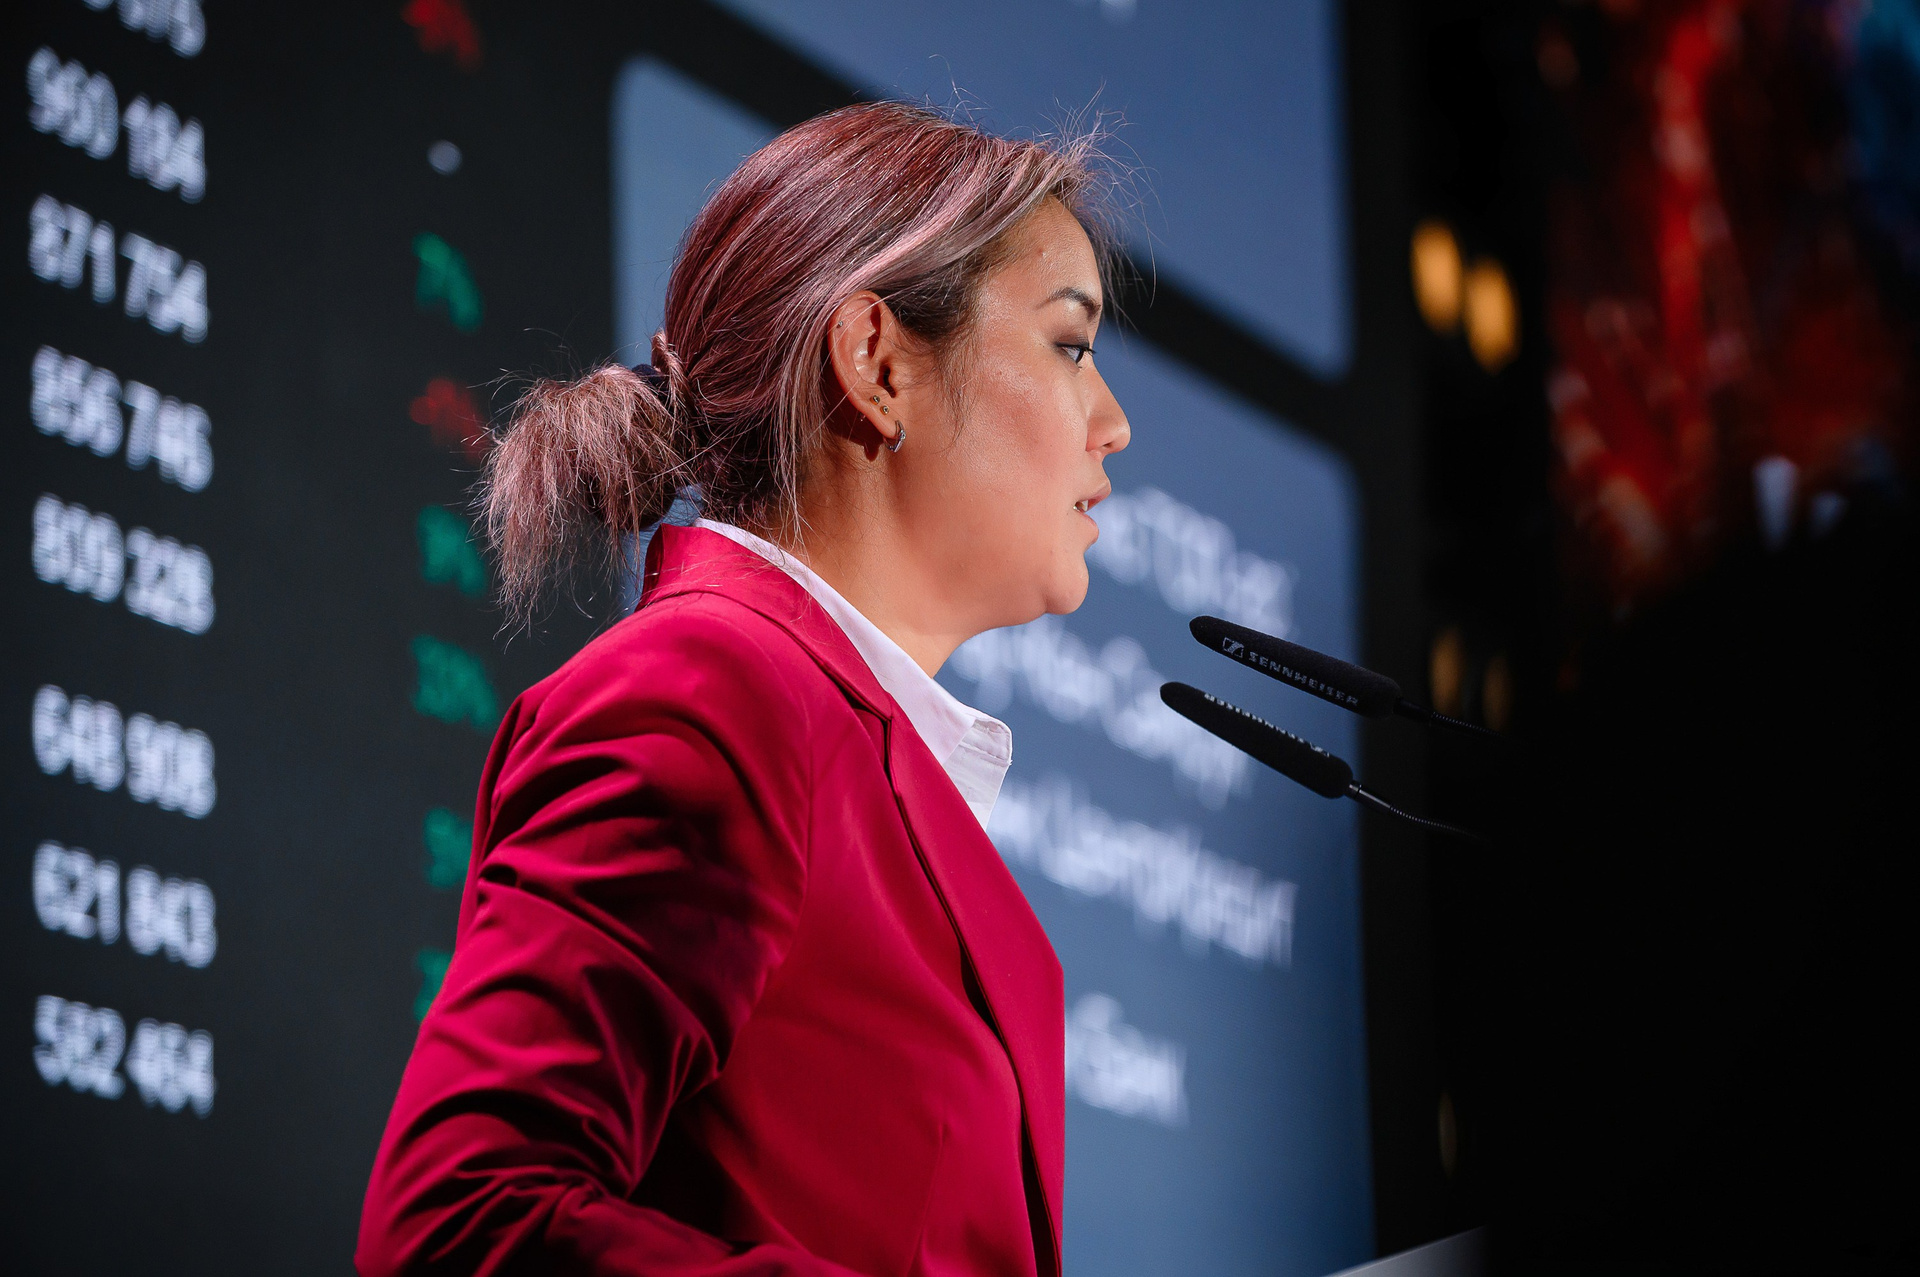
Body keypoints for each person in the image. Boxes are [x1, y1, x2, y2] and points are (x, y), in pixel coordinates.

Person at [356, 100, 1130, 1277]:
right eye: (1071, 345)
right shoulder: (705, 691)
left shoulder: (824, 738)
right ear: (878, 363)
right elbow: (462, 1222)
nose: (1112, 423)